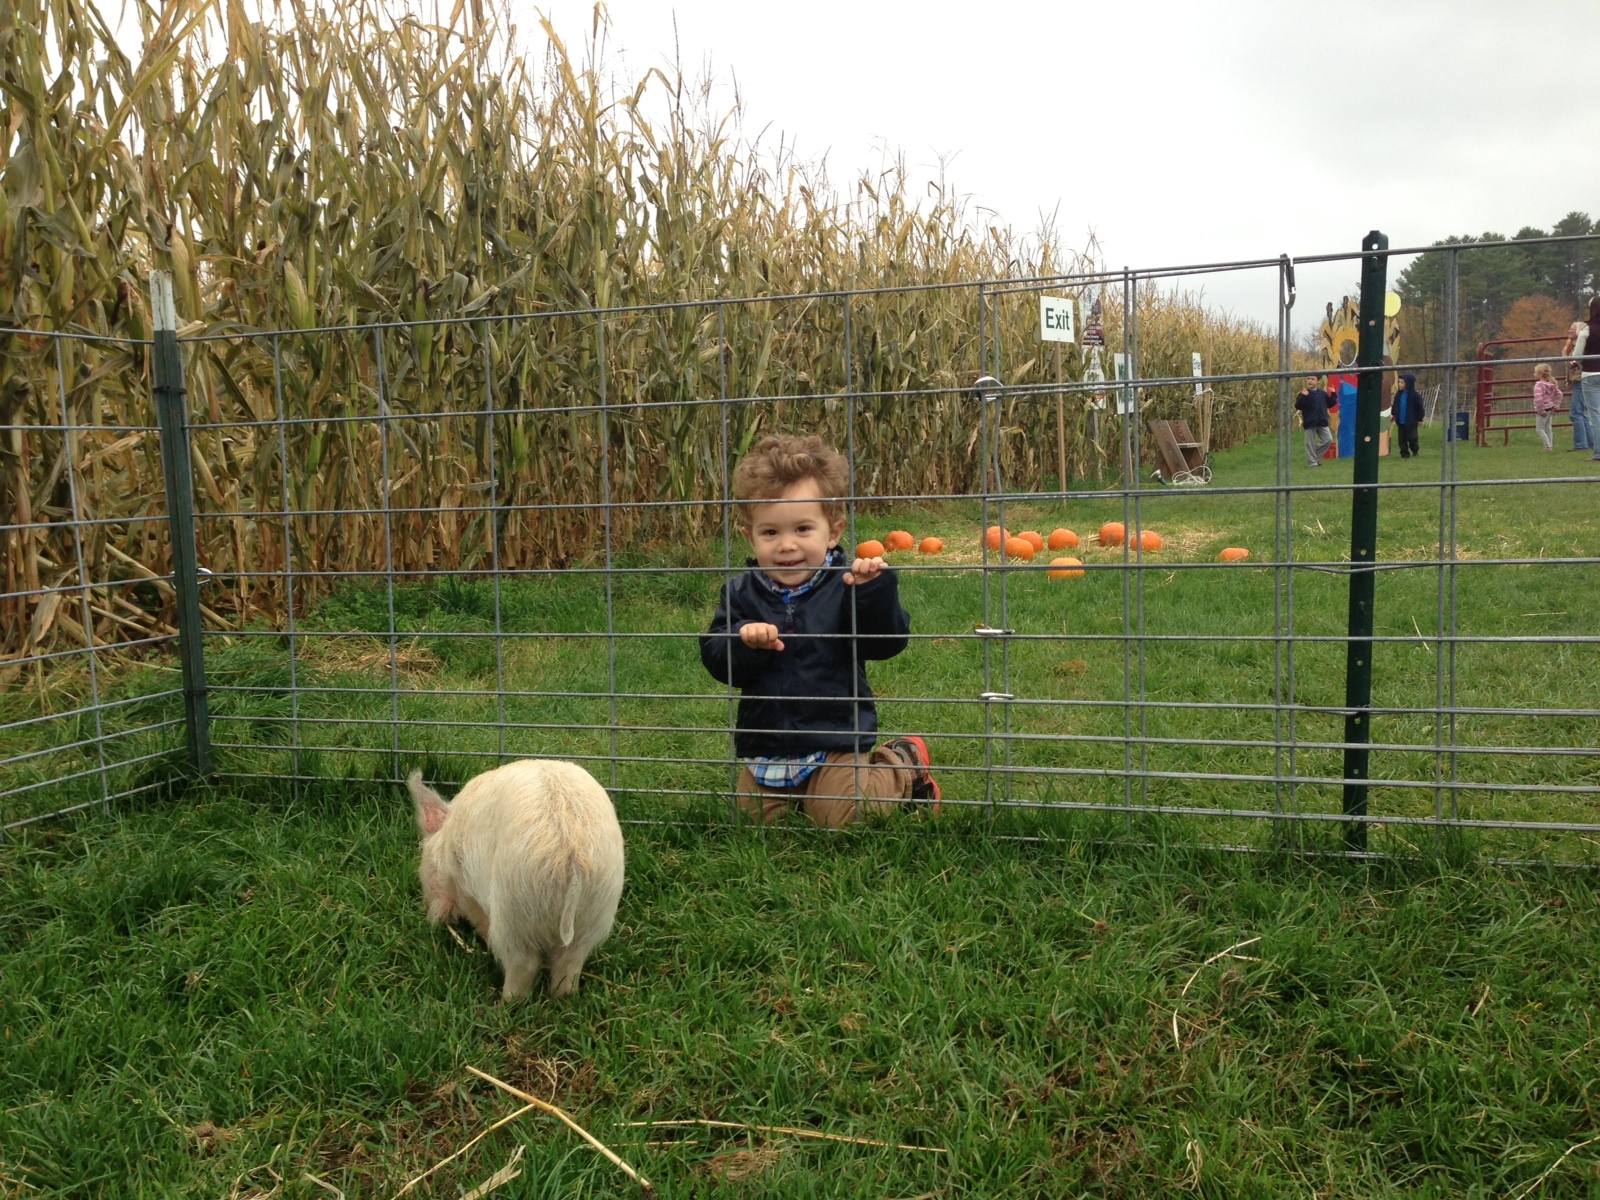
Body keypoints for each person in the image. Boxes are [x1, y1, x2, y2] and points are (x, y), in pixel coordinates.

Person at [699, 433, 939, 827]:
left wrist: (873, 593)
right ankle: (802, 796)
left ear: (833, 531)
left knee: (844, 817)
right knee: (756, 822)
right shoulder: (740, 593)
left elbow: (887, 643)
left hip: (835, 741)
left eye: (802, 529)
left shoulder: (847, 586)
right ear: (750, 536)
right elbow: (717, 659)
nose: (786, 545)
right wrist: (742, 639)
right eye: (770, 532)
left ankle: (902, 764)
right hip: (768, 744)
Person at [1570, 299, 1600, 462]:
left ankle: (1599, 453)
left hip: (1591, 374)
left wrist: (1577, 363)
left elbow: (1576, 355)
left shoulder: (1587, 329)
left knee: (1595, 415)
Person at [1563, 320, 1593, 453]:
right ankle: (1590, 443)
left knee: (1576, 413)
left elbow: (1577, 364)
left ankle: (1581, 444)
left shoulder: (1580, 348)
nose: (1569, 330)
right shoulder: (1570, 346)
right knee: (1582, 413)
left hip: (1581, 380)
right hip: (1577, 381)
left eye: (1572, 328)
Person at [1294, 376, 1335, 467]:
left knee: (1328, 440)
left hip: (1322, 421)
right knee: (1310, 443)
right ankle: (1312, 463)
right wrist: (1303, 397)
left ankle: (1314, 457)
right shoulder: (1304, 394)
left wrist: (1333, 394)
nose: (1310, 381)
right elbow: (1298, 406)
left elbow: (1330, 404)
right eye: (1308, 379)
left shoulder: (1322, 394)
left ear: (1318, 381)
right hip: (1310, 422)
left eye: (1312, 379)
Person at [1389, 371, 1426, 458]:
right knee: (1402, 440)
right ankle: (1404, 454)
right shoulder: (1398, 395)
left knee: (1412, 438)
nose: (1399, 384)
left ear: (1409, 383)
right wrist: (1393, 415)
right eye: (1399, 382)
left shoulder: (1415, 396)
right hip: (1401, 422)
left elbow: (1419, 408)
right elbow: (1395, 406)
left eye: (1402, 382)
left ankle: (1415, 451)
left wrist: (1420, 419)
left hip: (1411, 422)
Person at [1532, 363, 1562, 451]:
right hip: (1550, 408)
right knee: (1548, 428)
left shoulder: (1539, 385)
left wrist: (1540, 410)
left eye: (1535, 373)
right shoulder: (1551, 384)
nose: (1534, 374)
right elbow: (1559, 394)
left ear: (1540, 374)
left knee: (1539, 429)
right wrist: (1556, 406)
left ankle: (1547, 446)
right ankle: (1550, 445)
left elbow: (1538, 399)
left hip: (1543, 409)